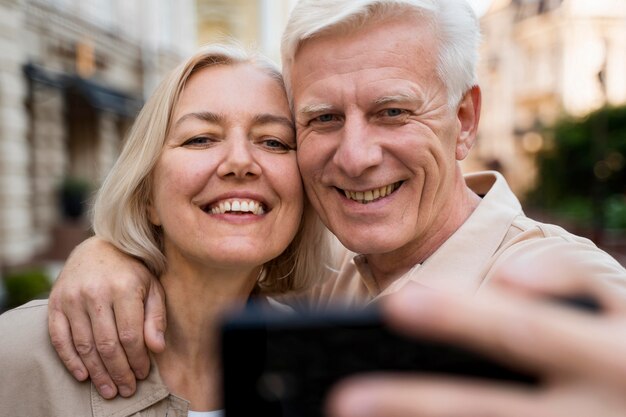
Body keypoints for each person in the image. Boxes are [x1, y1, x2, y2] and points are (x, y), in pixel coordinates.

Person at [47, 0, 626, 401]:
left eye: (392, 112)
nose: (354, 157)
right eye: (322, 119)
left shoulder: (567, 289)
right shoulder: (329, 276)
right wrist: (109, 254)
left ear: (465, 120)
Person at [0, 43, 330, 416]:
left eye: (274, 141)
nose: (240, 161)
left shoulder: (319, 362)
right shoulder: (16, 357)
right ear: (147, 197)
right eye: (201, 138)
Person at [327, 255, 626, 417]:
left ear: (465, 136)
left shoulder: (564, 265)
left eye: (394, 133)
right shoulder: (329, 271)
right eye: (326, 134)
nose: (357, 158)